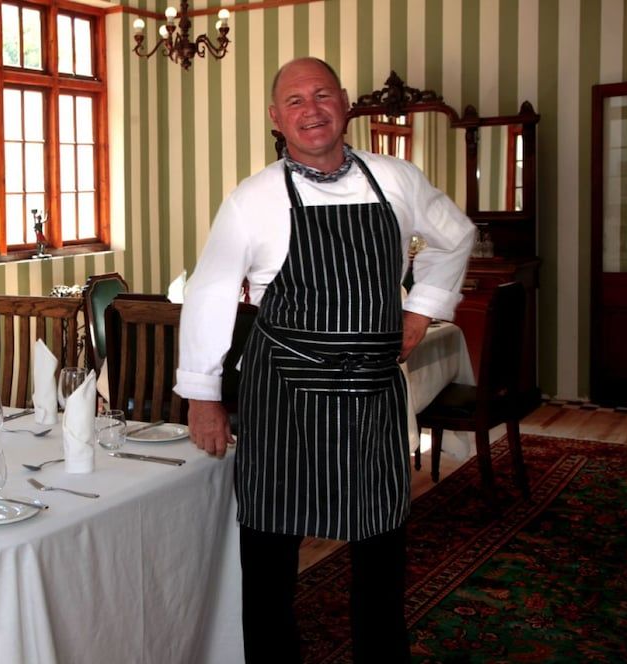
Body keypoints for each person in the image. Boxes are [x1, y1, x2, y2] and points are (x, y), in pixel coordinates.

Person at [174, 57, 475, 663]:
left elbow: (457, 236)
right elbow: (209, 294)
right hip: (282, 392)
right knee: (269, 557)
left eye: (321, 95)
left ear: (343, 102)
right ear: (275, 118)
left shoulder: (396, 179)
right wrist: (203, 397)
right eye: (293, 101)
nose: (310, 110)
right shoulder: (252, 200)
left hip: (371, 393)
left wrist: (422, 308)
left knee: (381, 552)